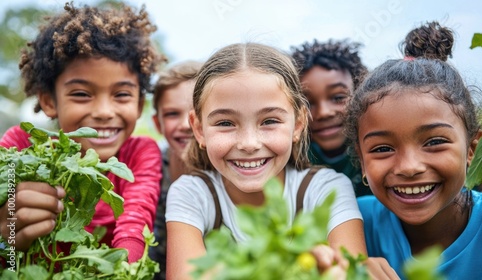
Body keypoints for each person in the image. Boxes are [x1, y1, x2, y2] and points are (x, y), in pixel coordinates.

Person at [165, 42, 398, 280]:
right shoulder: (191, 193)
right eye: (225, 123)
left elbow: (349, 273)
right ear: (199, 128)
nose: (249, 143)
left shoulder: (326, 189)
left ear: (298, 124)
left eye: (269, 121)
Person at [0, 2, 166, 263]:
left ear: (138, 104)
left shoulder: (139, 154)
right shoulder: (18, 147)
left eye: (121, 94)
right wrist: (6, 237)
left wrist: (126, 270)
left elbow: (135, 227)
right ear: (49, 101)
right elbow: (6, 243)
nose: (103, 111)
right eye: (81, 94)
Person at [346, 21, 482, 279]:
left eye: (435, 142)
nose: (409, 166)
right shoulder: (352, 222)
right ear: (361, 161)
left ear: (472, 148)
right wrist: (344, 266)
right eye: (383, 148)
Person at [290, 39, 372, 197]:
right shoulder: (290, 162)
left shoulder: (381, 152)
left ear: (361, 94)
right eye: (307, 103)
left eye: (338, 97)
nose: (323, 112)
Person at [149, 60, 202, 279]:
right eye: (172, 114)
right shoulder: (150, 170)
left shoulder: (232, 174)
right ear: (158, 123)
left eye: (196, 112)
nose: (185, 124)